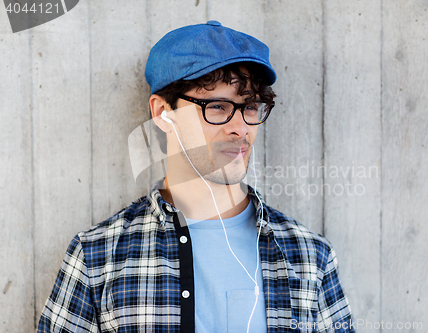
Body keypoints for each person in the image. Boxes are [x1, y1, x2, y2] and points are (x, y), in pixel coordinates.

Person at [37, 21, 355, 333]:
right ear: (163, 113)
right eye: (217, 107)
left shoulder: (309, 257)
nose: (241, 128)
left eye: (251, 107)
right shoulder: (98, 257)